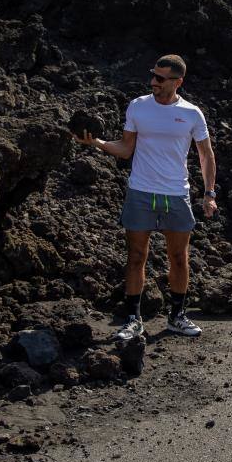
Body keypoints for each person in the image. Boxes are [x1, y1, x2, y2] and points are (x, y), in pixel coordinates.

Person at [73, 54, 217, 338]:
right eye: (153, 75)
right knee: (136, 256)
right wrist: (97, 143)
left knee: (178, 257)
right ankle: (132, 319)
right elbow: (127, 149)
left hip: (176, 194)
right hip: (141, 191)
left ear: (177, 82)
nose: (153, 81)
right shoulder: (138, 107)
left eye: (160, 78)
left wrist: (209, 193)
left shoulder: (191, 113)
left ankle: (176, 317)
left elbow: (205, 154)